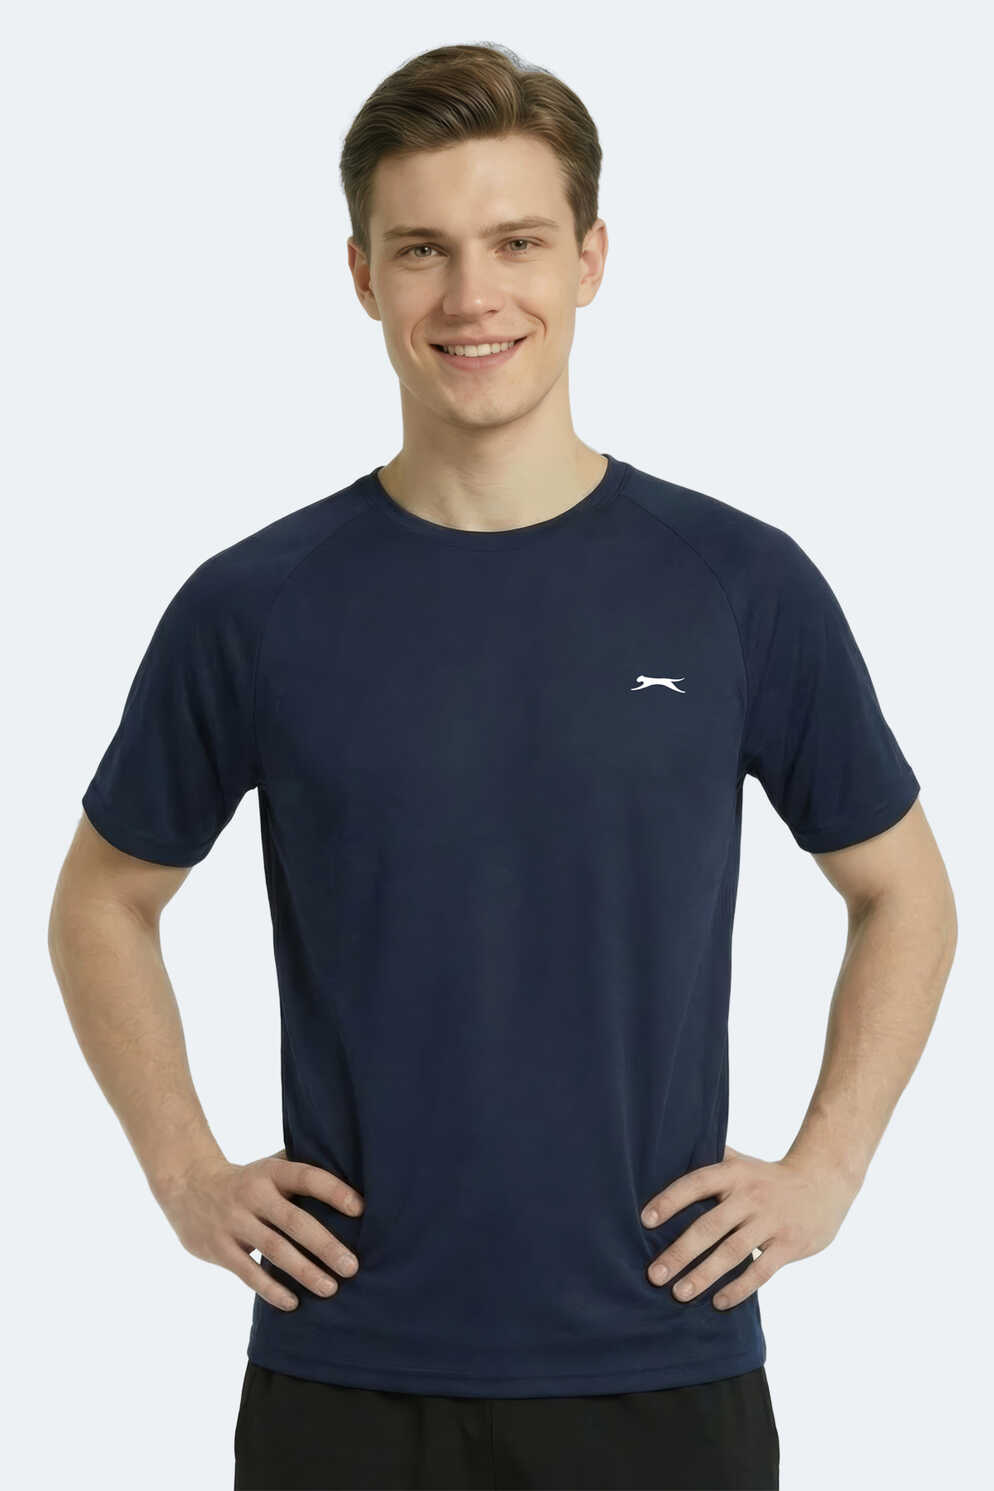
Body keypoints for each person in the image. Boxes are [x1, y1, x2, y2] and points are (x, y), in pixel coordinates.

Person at [49, 40, 957, 1491]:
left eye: (517, 243)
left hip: (660, 1358)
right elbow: (103, 895)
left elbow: (903, 890)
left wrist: (827, 1167)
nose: (472, 298)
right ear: (362, 276)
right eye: (422, 250)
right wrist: (184, 1172)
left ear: (590, 259)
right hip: (346, 1366)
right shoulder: (258, 604)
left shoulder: (736, 586)